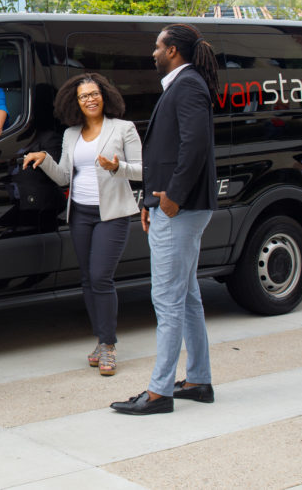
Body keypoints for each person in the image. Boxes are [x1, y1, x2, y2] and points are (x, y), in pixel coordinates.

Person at [111, 23, 219, 415]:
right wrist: (150, 200)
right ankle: (198, 380)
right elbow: (170, 150)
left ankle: (158, 393)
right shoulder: (184, 84)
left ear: (172, 50)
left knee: (168, 300)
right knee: (187, 298)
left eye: (157, 46)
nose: (152, 53)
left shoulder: (187, 85)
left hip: (182, 207)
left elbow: (194, 145)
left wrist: (171, 198)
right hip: (174, 205)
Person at [22, 73, 141, 376]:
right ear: (75, 103)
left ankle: (109, 345)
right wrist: (43, 158)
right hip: (81, 214)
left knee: (102, 277)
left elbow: (142, 170)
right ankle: (101, 342)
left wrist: (117, 166)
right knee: (88, 279)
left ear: (105, 95)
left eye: (94, 93)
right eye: (83, 96)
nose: (90, 99)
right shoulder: (71, 134)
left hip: (111, 214)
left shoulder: (123, 129)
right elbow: (64, 176)